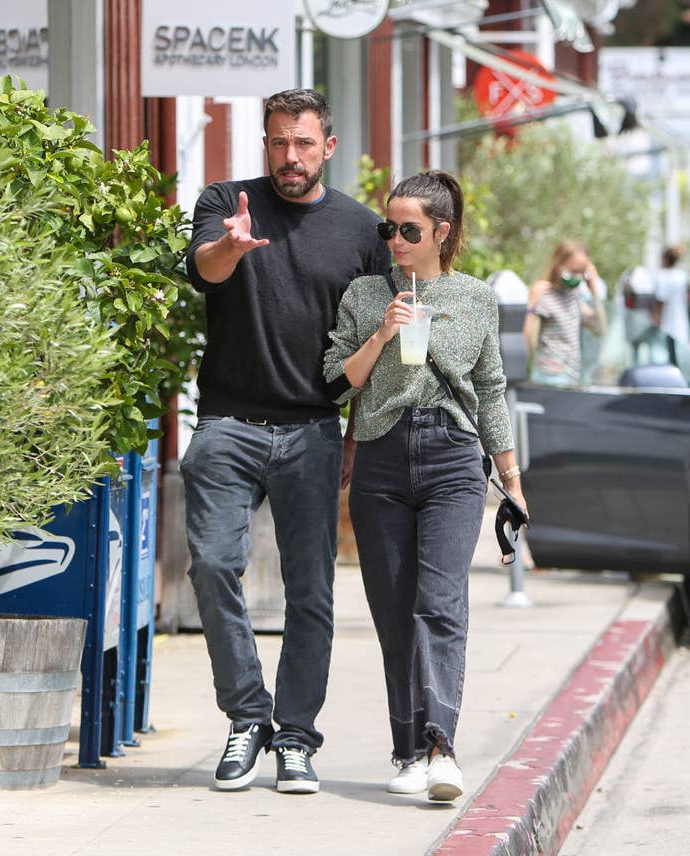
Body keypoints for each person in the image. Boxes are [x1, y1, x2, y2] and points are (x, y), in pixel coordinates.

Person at [181, 89, 391, 795]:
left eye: (302, 144)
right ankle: (248, 717)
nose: (288, 157)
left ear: (327, 147)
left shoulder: (363, 231)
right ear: (264, 142)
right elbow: (205, 266)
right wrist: (231, 249)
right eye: (277, 142)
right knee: (212, 564)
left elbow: (375, 345)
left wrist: (361, 433)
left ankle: (296, 737)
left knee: (312, 592)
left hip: (314, 428)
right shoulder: (225, 203)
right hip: (227, 423)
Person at [323, 170, 527, 802]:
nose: (395, 241)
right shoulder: (364, 294)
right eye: (389, 229)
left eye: (408, 230)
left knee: (439, 603)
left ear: (443, 232)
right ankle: (408, 749)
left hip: (452, 459)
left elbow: (491, 389)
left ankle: (442, 746)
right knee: (393, 610)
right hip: (382, 457)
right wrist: (384, 331)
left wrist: (513, 482)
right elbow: (337, 380)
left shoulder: (475, 298)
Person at [523, 239, 606, 386]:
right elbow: (529, 343)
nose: (578, 277)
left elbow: (600, 328)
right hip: (548, 378)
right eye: (574, 271)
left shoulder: (575, 297)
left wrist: (594, 290)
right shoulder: (545, 297)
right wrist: (532, 303)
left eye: (582, 272)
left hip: (571, 377)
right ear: (558, 267)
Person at [653, 245, 689, 347]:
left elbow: (660, 301)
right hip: (681, 319)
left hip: (667, 321)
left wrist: (656, 318)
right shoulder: (682, 276)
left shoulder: (663, 276)